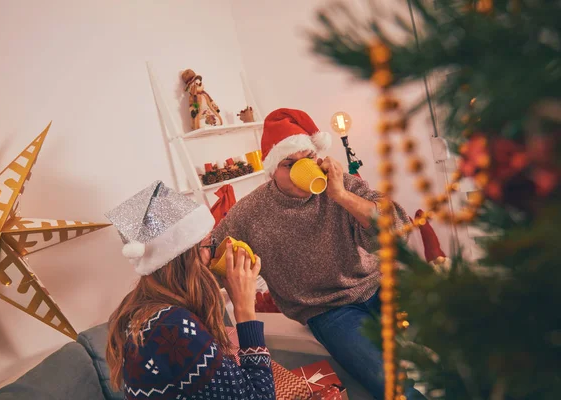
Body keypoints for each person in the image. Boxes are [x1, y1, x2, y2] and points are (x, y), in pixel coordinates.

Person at [212, 108, 425, 400]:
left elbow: (399, 228)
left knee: (457, 336)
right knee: (391, 385)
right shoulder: (250, 212)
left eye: (308, 159)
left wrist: (340, 195)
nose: (303, 170)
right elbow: (212, 250)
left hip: (378, 285)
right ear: (273, 169)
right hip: (328, 310)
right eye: (290, 164)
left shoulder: (342, 186)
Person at [104, 180, 275, 399]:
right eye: (207, 244)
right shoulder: (173, 327)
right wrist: (245, 310)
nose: (212, 254)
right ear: (184, 257)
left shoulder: (139, 311)